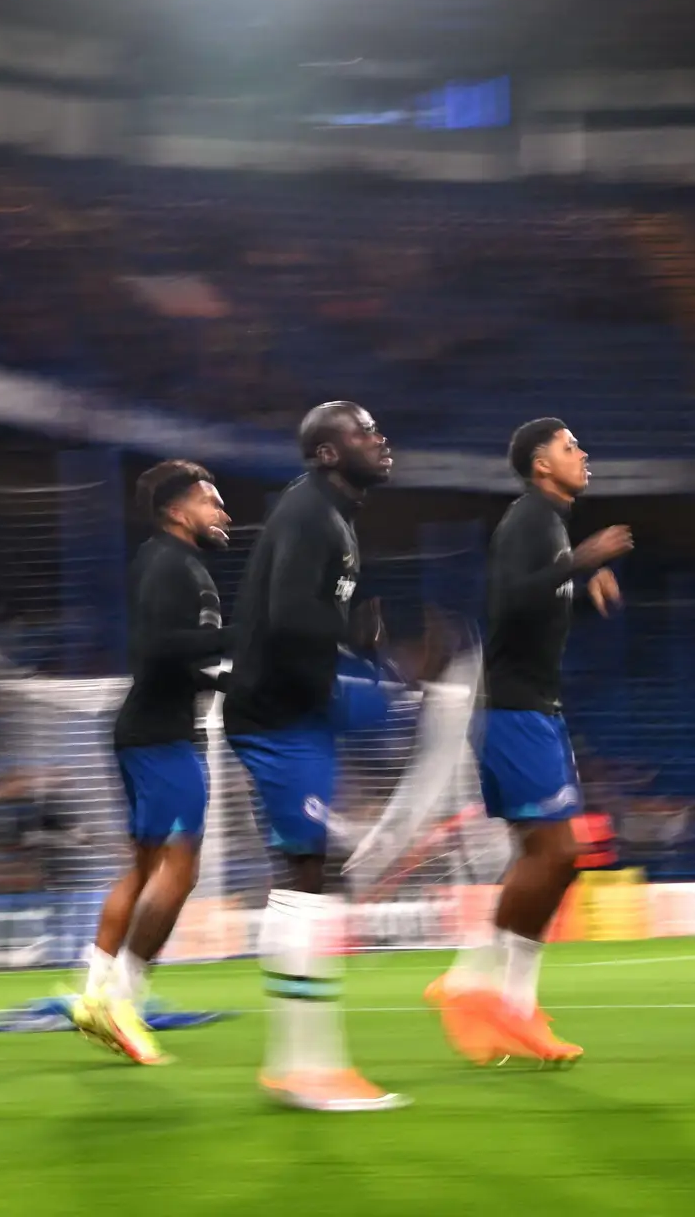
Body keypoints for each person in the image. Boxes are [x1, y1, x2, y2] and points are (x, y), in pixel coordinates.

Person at [430, 416, 633, 1067]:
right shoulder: (531, 519)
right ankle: (481, 986)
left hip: (532, 712)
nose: (584, 452)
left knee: (550, 859)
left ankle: (506, 999)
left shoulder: (548, 525)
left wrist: (578, 578)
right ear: (542, 465)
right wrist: (581, 561)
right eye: (570, 447)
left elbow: (535, 598)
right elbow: (508, 601)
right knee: (559, 854)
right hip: (514, 713)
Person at [225, 400, 404, 1112]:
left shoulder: (332, 515)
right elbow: (290, 616)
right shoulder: (310, 513)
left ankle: (292, 1065)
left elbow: (302, 615)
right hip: (280, 715)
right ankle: (310, 1071)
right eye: (363, 431)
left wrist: (353, 644)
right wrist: (349, 656)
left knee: (308, 873)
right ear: (328, 453)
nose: (379, 439)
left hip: (295, 708)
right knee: (305, 877)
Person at [71, 459, 231, 1067]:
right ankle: (123, 1000)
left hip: (148, 731)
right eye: (210, 501)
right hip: (162, 737)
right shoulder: (171, 563)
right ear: (175, 510)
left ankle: (93, 997)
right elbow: (159, 648)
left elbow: (179, 661)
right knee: (179, 871)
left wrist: (232, 679)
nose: (223, 512)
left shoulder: (173, 564)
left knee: (142, 870)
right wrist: (246, 636)